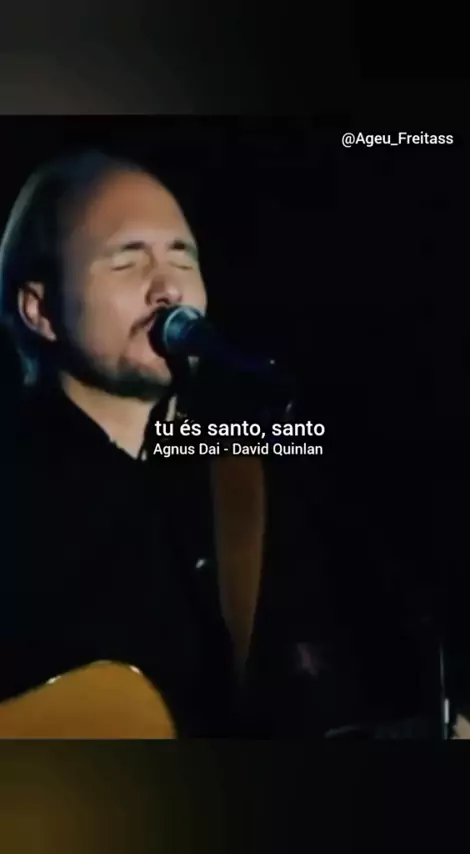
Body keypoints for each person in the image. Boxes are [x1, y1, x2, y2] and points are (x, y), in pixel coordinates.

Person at [0, 149, 266, 737]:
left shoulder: (239, 481)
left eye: (183, 259)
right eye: (127, 262)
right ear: (39, 310)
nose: (169, 288)